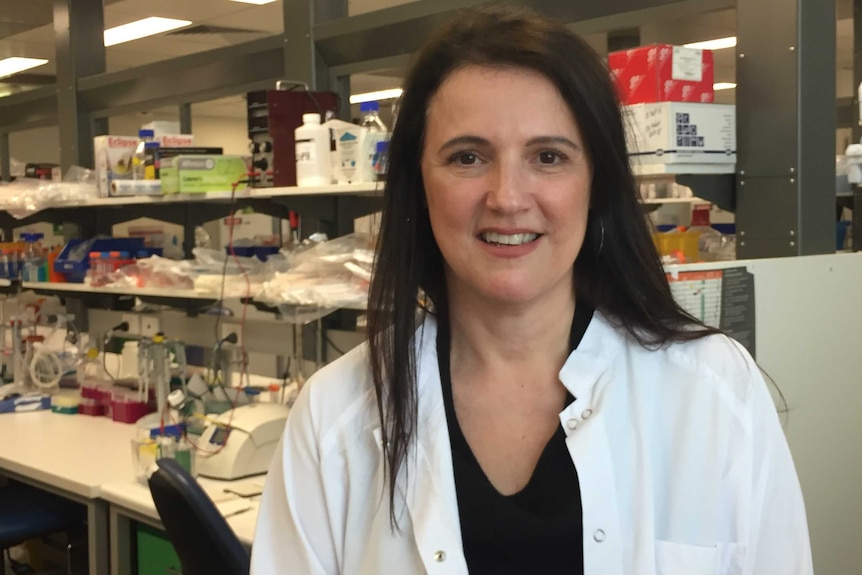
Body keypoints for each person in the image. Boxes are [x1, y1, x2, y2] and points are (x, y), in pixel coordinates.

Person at [252, 7, 812, 574]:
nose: (508, 197)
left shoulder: (714, 392)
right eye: (468, 157)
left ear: (596, 183)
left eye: (549, 157)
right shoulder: (333, 419)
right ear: (418, 183)